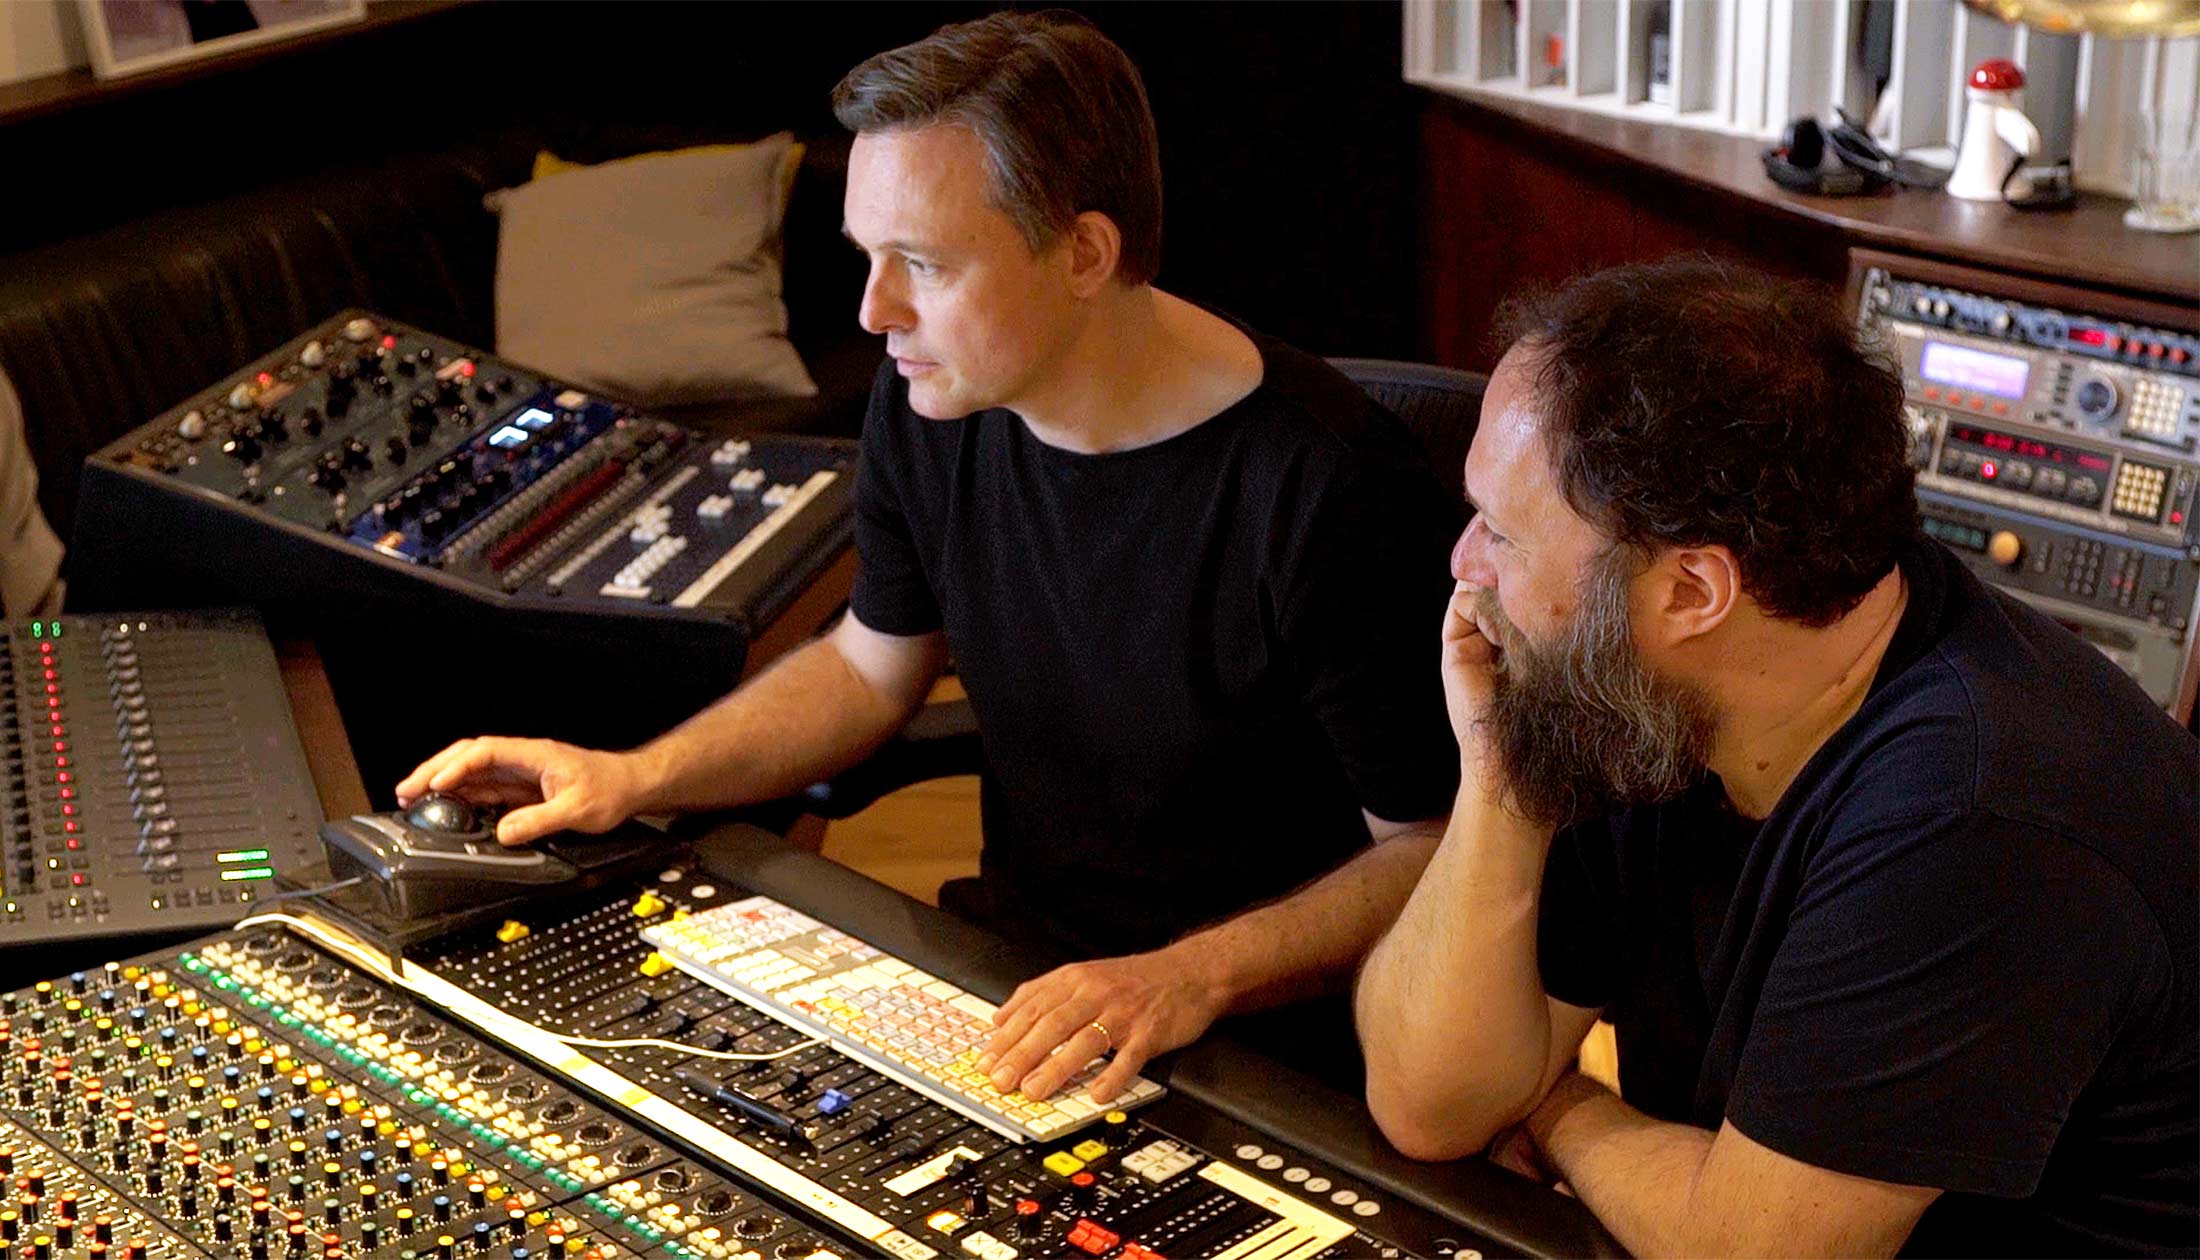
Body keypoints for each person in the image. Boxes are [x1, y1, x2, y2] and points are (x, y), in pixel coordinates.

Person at [402, 11, 1460, 1105]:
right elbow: (870, 666)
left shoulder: (1332, 489)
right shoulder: (934, 401)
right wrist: (633, 777)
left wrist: (1188, 976)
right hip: (1020, 985)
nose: (876, 311)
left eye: (922, 263)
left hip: (1262, 1040)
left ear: (1084, 254)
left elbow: (1430, 849)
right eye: (869, 257)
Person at [1354, 258, 2198, 1257]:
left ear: (1692, 592)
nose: (1464, 566)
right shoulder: (1649, 687)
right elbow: (1428, 1105)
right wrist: (1500, 779)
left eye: (1499, 532)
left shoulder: (1969, 819)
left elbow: (1746, 1248)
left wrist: (1561, 1108)